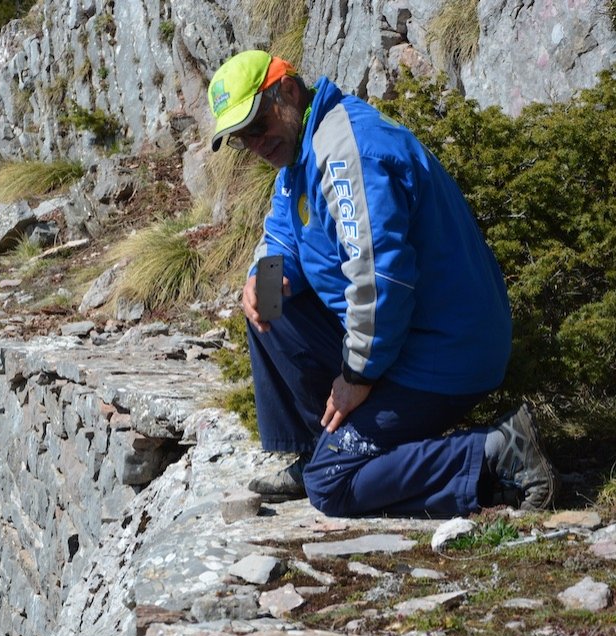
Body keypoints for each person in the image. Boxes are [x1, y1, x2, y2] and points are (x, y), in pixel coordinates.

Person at [207, 50, 557, 517]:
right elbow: (281, 235)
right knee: (269, 304)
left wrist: (357, 376)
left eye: (257, 123)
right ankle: (318, 445)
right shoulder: (300, 152)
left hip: (443, 352)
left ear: (289, 91)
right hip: (403, 340)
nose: (254, 143)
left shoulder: (344, 151)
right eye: (240, 137)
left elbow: (381, 277)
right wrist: (263, 281)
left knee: (330, 486)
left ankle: (495, 451)